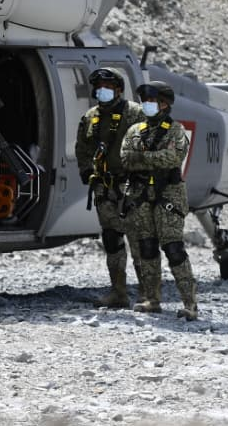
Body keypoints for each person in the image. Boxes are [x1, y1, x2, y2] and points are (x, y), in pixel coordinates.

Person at [120, 81, 198, 320]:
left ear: (165, 104)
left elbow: (172, 157)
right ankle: (152, 300)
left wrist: (142, 157)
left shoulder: (176, 131)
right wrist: (150, 158)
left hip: (168, 197)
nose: (147, 105)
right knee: (147, 248)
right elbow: (126, 158)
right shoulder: (135, 131)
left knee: (174, 249)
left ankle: (190, 304)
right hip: (142, 195)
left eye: (152, 101)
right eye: (145, 101)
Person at [74, 67, 145, 308]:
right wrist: (87, 172)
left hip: (132, 187)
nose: (102, 91)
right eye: (99, 87)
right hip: (104, 188)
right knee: (112, 239)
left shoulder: (136, 114)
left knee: (138, 240)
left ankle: (147, 294)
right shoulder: (91, 117)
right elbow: (82, 148)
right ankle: (118, 293)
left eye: (107, 86)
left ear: (118, 89)